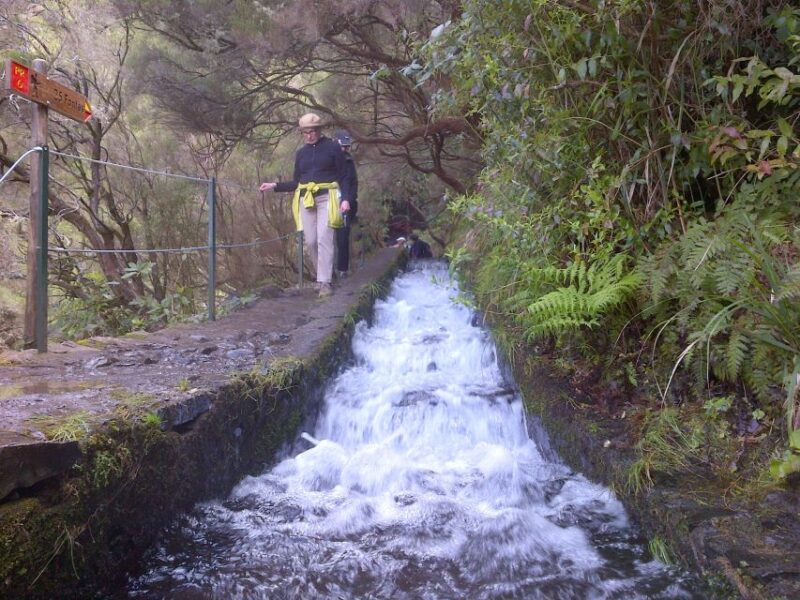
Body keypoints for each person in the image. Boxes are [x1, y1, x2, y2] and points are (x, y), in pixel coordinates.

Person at [259, 113, 353, 297]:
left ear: (319, 130)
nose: (310, 135)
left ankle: (324, 282)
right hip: (306, 199)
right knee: (310, 241)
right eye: (306, 132)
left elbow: (344, 176)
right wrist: (274, 186)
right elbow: (297, 182)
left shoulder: (333, 148)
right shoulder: (301, 153)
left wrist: (346, 199)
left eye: (313, 131)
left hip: (328, 197)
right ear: (302, 133)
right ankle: (323, 275)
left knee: (324, 237)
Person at [333, 130, 358, 279]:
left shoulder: (349, 161)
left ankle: (342, 269)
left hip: (346, 204)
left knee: (343, 238)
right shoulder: (328, 160)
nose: (344, 150)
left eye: (347, 147)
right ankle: (327, 273)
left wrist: (349, 200)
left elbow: (353, 183)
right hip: (328, 202)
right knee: (326, 239)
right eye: (342, 146)